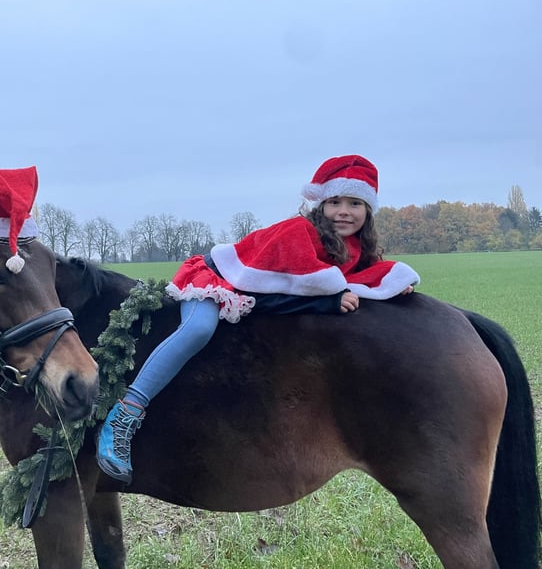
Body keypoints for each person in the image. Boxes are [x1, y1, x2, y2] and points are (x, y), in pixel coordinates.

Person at [96, 154, 420, 484]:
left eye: (355, 203)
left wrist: (388, 285)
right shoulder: (298, 233)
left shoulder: (356, 248)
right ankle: (124, 414)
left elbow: (356, 277)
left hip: (247, 290)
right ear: (321, 205)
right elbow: (263, 296)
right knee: (198, 329)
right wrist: (329, 303)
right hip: (218, 280)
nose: (344, 212)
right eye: (335, 201)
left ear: (369, 210)